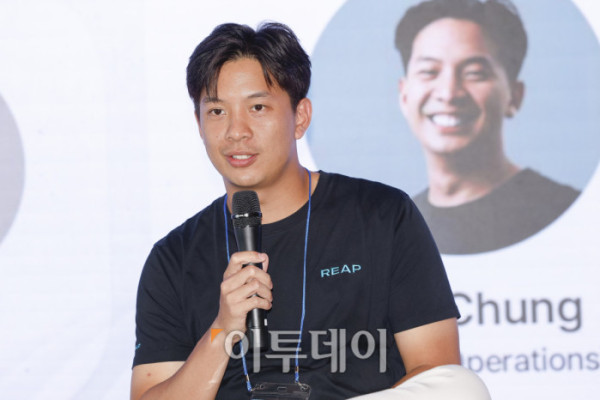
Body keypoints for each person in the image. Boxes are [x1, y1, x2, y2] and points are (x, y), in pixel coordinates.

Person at [130, 22, 490, 400]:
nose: (237, 131)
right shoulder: (174, 258)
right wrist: (222, 329)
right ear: (199, 125)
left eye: (257, 107)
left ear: (300, 117)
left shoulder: (382, 216)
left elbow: (436, 372)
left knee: (461, 386)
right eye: (217, 111)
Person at [395, 0, 580, 255]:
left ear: (514, 96)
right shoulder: (397, 223)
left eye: (474, 73)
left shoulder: (568, 212)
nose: (448, 93)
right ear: (404, 95)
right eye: (429, 71)